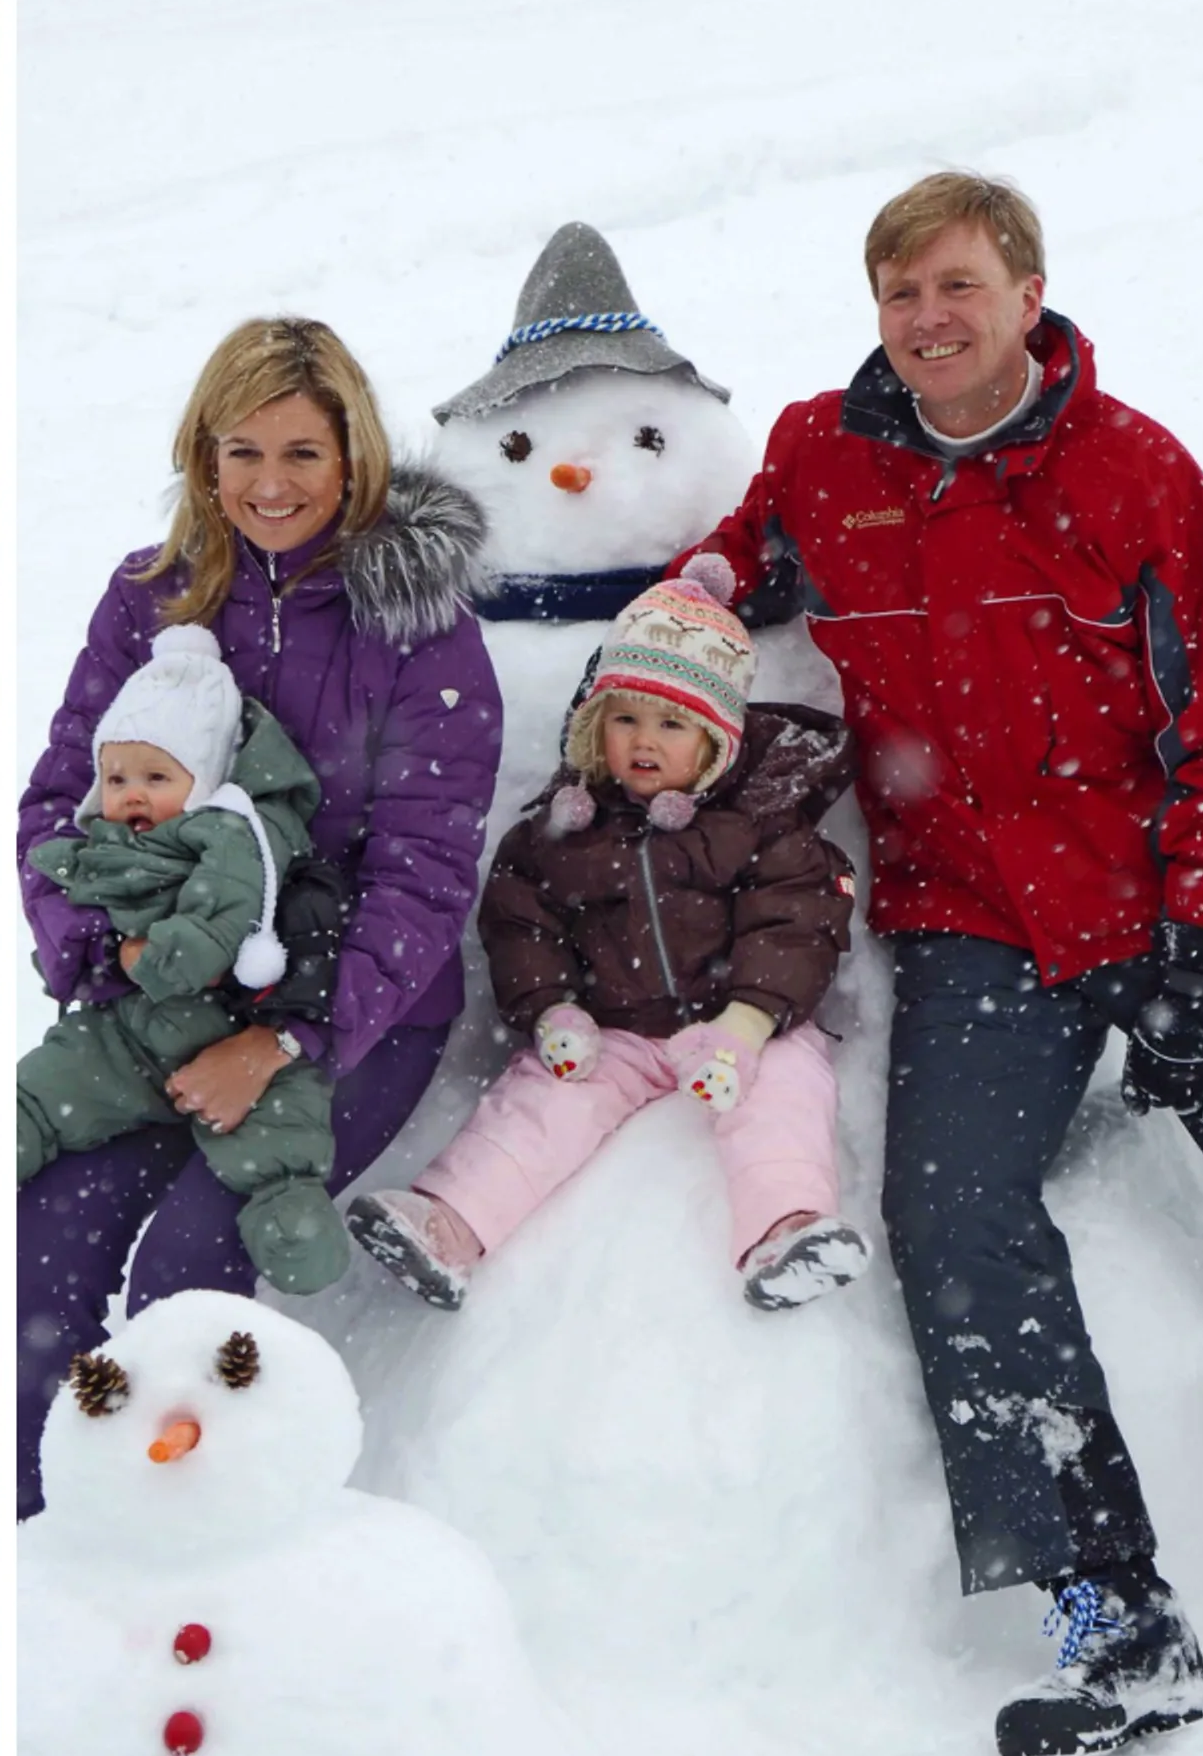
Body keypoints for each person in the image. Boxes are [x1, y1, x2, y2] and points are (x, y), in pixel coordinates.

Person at [680, 170, 1203, 1756]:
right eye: (899, 295)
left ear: (1027, 291)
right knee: (954, 1221)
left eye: (955, 286)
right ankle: (1117, 1622)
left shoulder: (1135, 474)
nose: (927, 321)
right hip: (973, 924)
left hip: (1173, 895)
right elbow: (727, 578)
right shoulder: (828, 453)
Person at [16, 316, 499, 1516]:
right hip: (154, 995)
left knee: (189, 1263)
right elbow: (56, 802)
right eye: (242, 454)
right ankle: (36, 1552)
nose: (269, 487)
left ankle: (181, 1534)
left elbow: (425, 873)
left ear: (354, 461)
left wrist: (285, 1040)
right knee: (45, 1244)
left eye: (301, 455)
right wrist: (101, 953)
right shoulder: (155, 601)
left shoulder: (417, 626)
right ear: (204, 456)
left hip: (347, 1008)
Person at [347, 558, 867, 1313]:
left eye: (671, 723)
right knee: (543, 1102)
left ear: (717, 739)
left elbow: (797, 923)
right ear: (595, 726)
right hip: (614, 1031)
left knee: (784, 1095)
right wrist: (554, 1009)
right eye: (624, 718)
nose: (643, 741)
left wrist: (748, 1024)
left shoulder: (759, 823)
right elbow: (521, 921)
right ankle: (450, 1225)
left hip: (744, 1025)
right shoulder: (564, 828)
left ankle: (787, 1230)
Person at [18, 626, 341, 1291]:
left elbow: (219, 918)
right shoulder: (103, 841)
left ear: (208, 779)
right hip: (126, 1033)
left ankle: (292, 1223)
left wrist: (159, 957)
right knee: (42, 1090)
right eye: (116, 777)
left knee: (280, 1135)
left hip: (229, 1031)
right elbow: (59, 890)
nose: (132, 794)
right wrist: (80, 938)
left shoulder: (236, 835)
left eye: (157, 776)